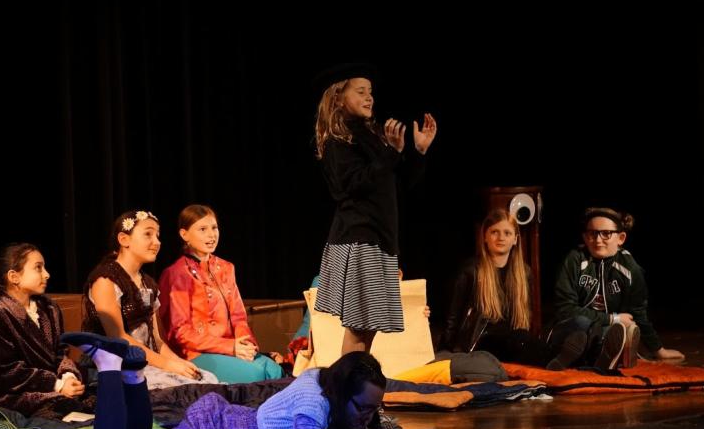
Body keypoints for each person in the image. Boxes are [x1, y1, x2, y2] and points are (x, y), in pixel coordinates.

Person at [62, 332, 394, 429]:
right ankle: (108, 364)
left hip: (227, 422)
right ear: (342, 394)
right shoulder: (313, 405)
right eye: (363, 407)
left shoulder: (325, 379)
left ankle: (134, 375)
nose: (368, 417)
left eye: (373, 408)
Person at [312, 62, 438, 355]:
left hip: (379, 239)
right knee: (359, 326)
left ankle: (355, 379)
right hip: (359, 238)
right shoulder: (338, 142)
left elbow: (398, 185)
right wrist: (390, 154)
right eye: (360, 91)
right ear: (338, 97)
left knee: (369, 326)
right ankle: (348, 382)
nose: (369, 97)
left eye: (370, 91)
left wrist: (418, 152)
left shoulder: (372, 137)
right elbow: (350, 185)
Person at [82, 210, 217, 388]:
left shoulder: (148, 284)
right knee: (182, 388)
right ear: (124, 239)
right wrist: (167, 364)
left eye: (157, 236)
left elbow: (156, 340)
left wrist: (179, 363)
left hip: (146, 362)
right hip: (113, 367)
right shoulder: (106, 280)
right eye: (148, 234)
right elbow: (118, 337)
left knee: (206, 379)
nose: (157, 242)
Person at [439, 210, 587, 370]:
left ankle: (573, 357)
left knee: (527, 338)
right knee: (519, 339)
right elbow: (453, 316)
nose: (501, 237)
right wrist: (446, 350)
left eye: (507, 233)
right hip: (480, 342)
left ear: (515, 239)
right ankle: (559, 358)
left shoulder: (524, 272)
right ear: (485, 237)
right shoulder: (471, 271)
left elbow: (526, 316)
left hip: (513, 339)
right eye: (494, 232)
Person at [158, 204, 283, 383]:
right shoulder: (176, 273)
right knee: (258, 374)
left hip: (231, 347)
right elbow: (181, 333)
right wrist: (230, 347)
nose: (211, 235)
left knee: (275, 369)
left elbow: (239, 317)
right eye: (203, 229)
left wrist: (245, 344)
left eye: (214, 228)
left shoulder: (226, 268)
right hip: (196, 354)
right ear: (184, 234)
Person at [552, 207, 685, 369]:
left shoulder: (630, 269)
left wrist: (659, 350)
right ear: (585, 237)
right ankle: (607, 353)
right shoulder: (574, 259)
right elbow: (565, 310)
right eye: (592, 233)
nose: (598, 240)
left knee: (623, 328)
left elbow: (638, 313)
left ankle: (607, 353)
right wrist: (612, 318)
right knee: (583, 323)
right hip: (574, 329)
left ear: (621, 238)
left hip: (607, 330)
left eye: (606, 233)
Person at [0, 243, 92, 417]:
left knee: (98, 396)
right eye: (38, 268)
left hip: (56, 388)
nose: (47, 274)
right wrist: (56, 385)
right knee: (64, 409)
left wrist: (68, 376)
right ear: (14, 276)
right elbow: (7, 372)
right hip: (16, 395)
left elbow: (61, 352)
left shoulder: (49, 308)